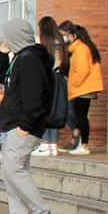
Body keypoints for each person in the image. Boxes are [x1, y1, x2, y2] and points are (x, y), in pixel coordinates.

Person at [0, 19, 58, 214]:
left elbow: (35, 96)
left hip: (23, 127)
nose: (5, 40)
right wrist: (2, 54)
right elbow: (4, 78)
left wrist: (25, 126)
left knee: (13, 170)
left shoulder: (31, 59)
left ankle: (43, 213)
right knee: (11, 172)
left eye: (7, 37)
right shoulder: (21, 58)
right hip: (14, 125)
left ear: (16, 36)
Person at [63, 24, 104, 155]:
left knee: (81, 117)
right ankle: (82, 144)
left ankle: (84, 146)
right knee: (81, 116)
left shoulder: (80, 49)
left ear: (74, 36)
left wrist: (73, 83)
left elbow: (82, 70)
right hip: (84, 88)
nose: (65, 38)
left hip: (82, 88)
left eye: (67, 35)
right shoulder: (82, 48)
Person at [35, 16, 68, 156]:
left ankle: (44, 144)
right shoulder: (62, 42)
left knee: (43, 111)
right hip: (59, 79)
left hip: (46, 78)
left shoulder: (41, 42)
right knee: (56, 111)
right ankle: (53, 145)